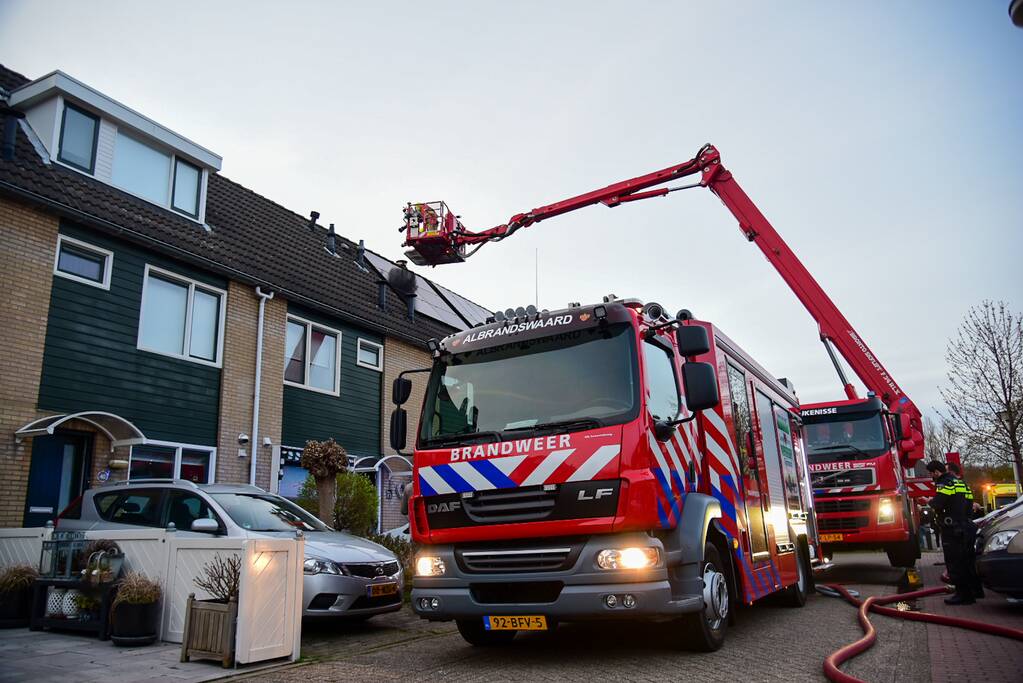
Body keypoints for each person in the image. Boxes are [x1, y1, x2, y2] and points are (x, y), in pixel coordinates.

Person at [925, 460, 982, 604]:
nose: (932, 476)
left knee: (954, 562)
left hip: (951, 530)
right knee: (968, 560)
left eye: (931, 474)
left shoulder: (944, 483)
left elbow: (938, 503)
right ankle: (975, 591)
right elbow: (969, 504)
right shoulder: (961, 483)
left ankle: (962, 595)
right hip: (966, 526)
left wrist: (927, 501)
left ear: (936, 472)